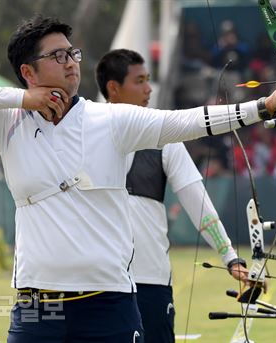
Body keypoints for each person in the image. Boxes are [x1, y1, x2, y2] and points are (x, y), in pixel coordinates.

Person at [0, 15, 276, 343]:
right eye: (57, 56)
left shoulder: (110, 120)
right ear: (28, 72)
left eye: (72, 53)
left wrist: (262, 107)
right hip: (37, 306)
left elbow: (185, 122)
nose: (71, 63)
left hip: (107, 302)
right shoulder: (7, 122)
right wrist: (23, 99)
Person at [95, 48, 243, 343]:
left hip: (151, 282)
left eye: (149, 79)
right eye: (139, 81)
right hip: (99, 282)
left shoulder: (165, 140)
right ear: (114, 88)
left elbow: (196, 200)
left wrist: (230, 257)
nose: (149, 89)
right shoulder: (84, 134)